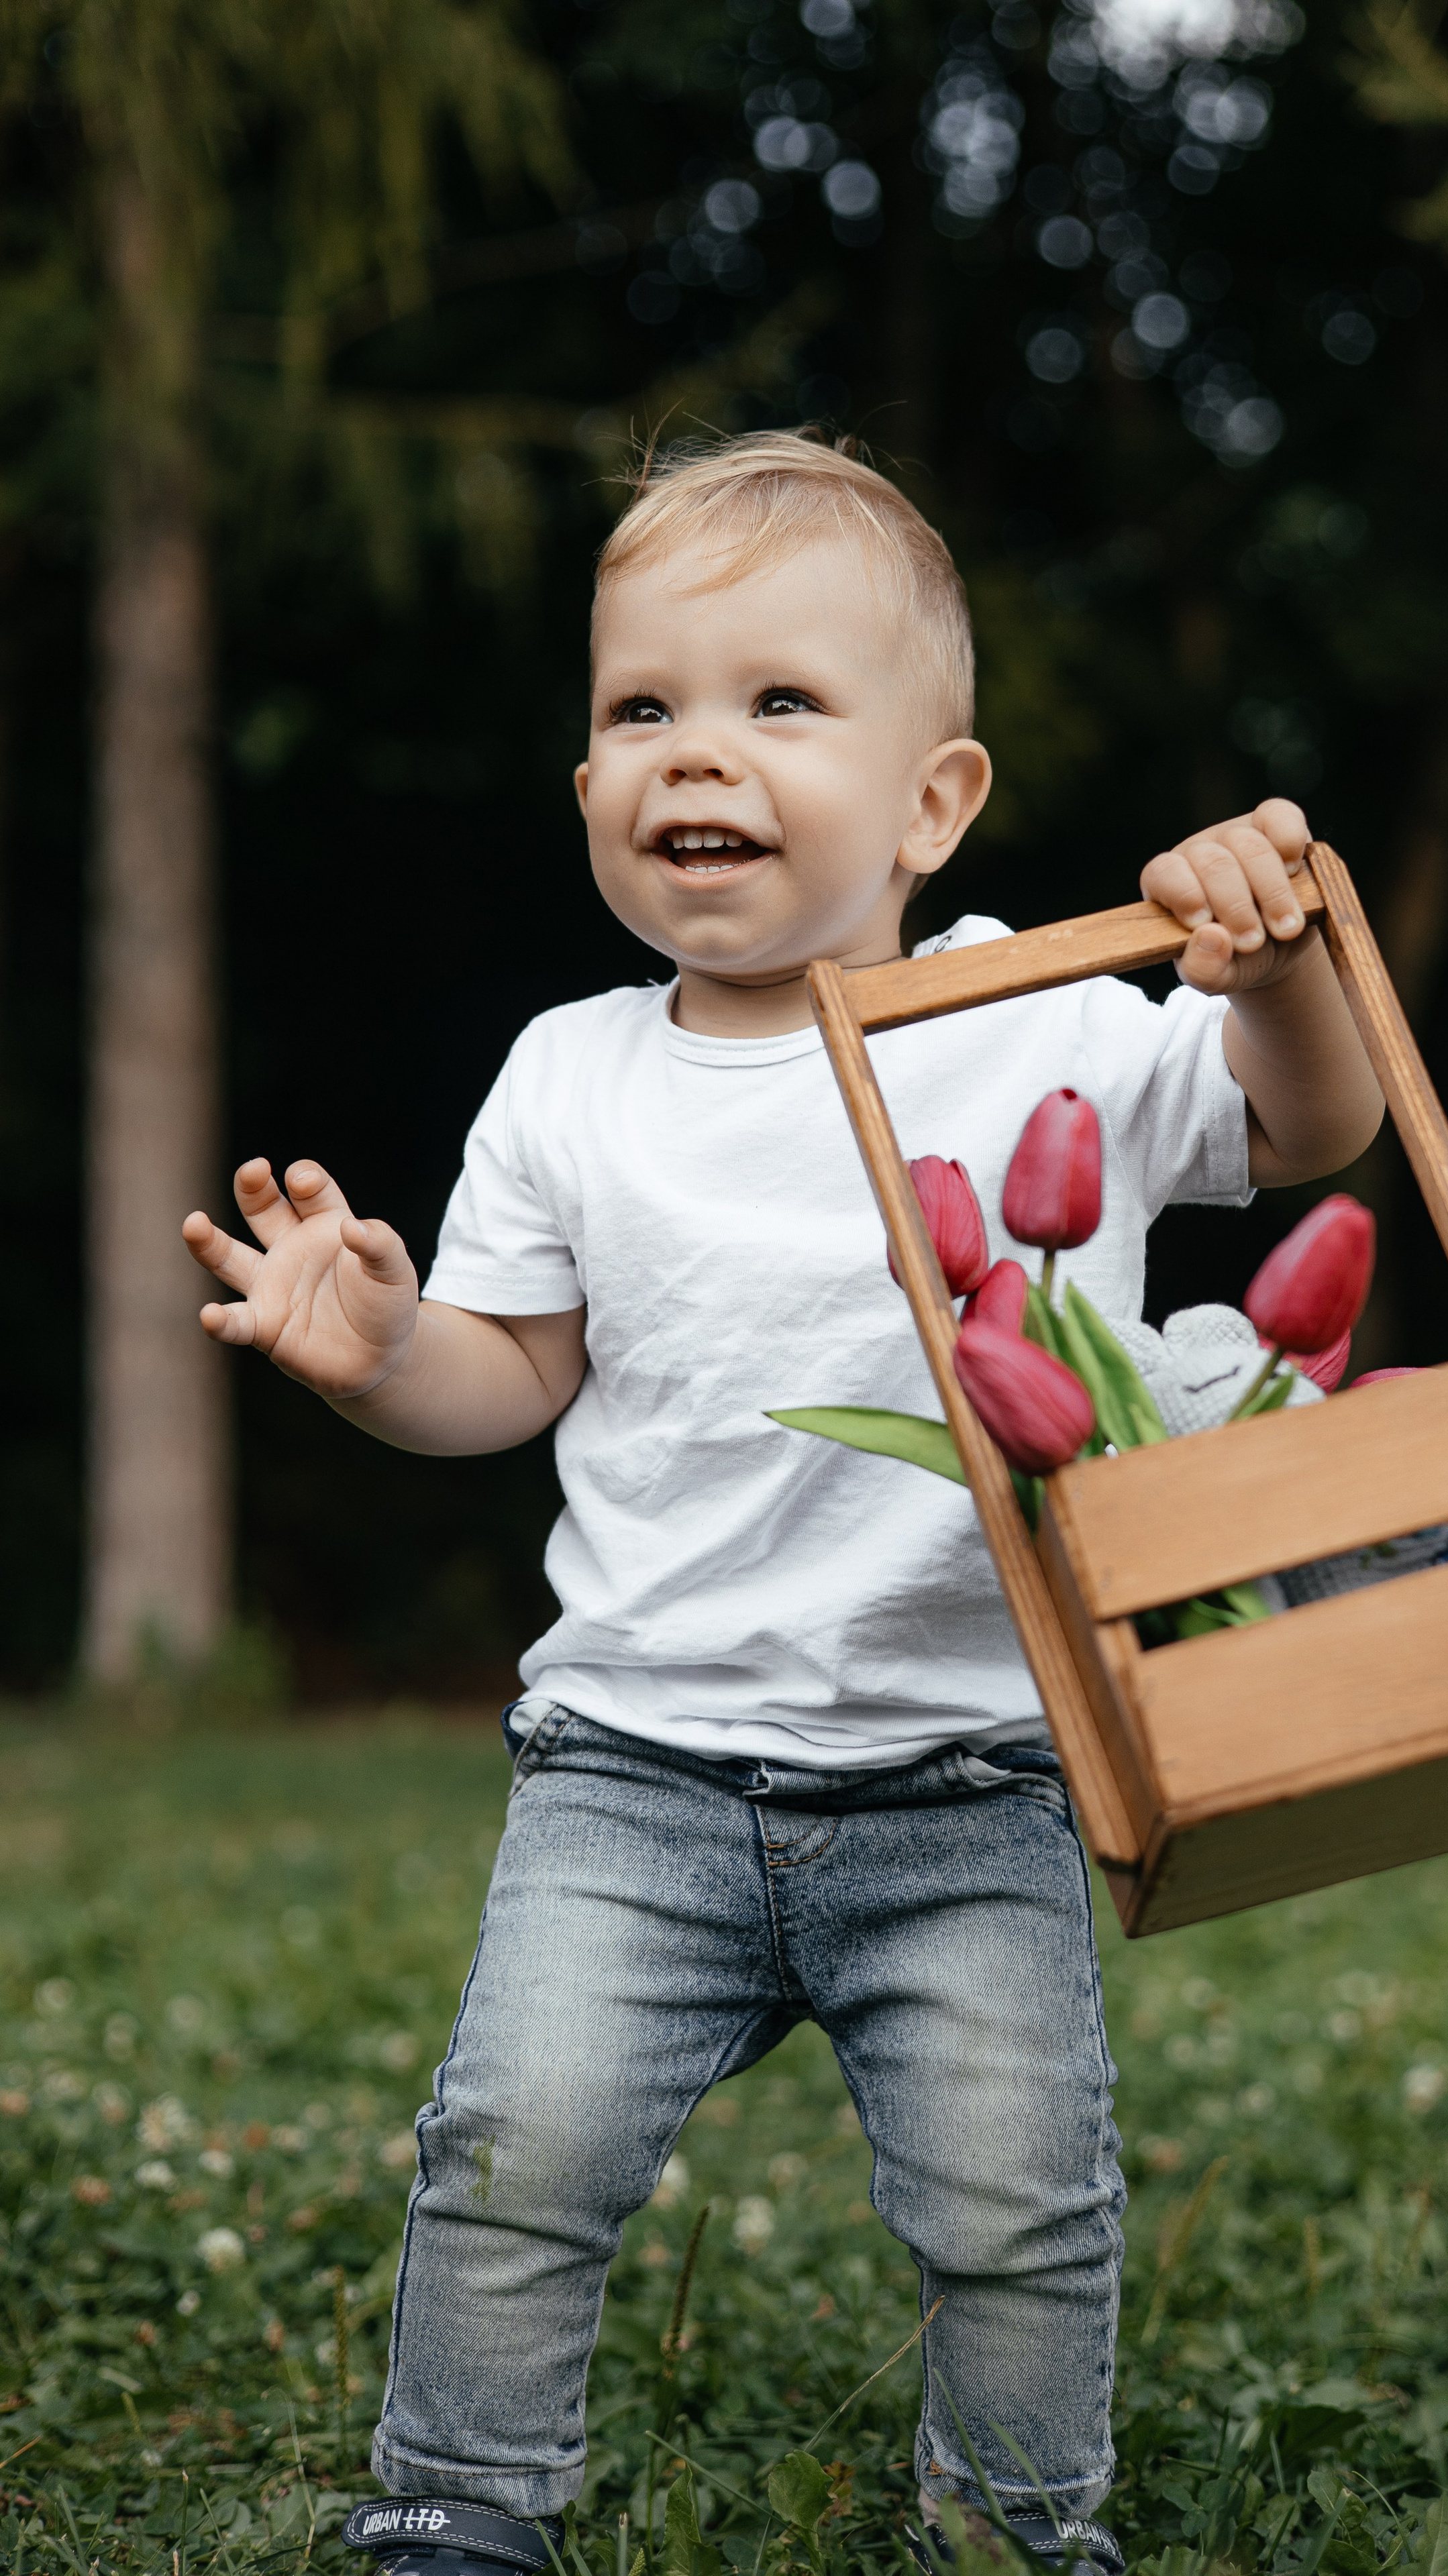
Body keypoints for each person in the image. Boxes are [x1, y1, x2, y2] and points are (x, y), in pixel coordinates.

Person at [183, 431, 1383, 2576]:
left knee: (1022, 2200)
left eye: (776, 704)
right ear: (585, 801)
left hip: (974, 1774)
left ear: (938, 804)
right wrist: (376, 1354)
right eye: (641, 710)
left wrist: (1273, 960)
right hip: (635, 1767)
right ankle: (458, 2510)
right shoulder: (573, 1073)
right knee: (514, 2146)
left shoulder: (1046, 1015)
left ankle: (1019, 2528)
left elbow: (1309, 1129)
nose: (692, 754)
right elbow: (513, 1377)